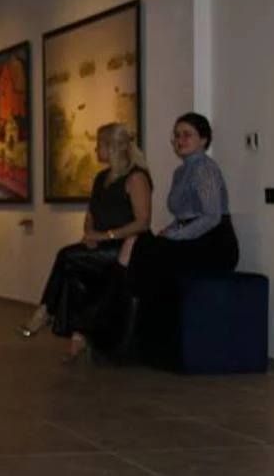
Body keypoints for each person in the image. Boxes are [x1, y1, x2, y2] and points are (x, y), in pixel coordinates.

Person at [21, 123, 152, 361]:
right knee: (74, 273)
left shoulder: (136, 178)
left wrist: (105, 236)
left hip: (127, 246)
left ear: (112, 147)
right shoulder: (101, 178)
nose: (95, 149)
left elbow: (142, 222)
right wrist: (90, 234)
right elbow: (91, 214)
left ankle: (46, 311)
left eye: (99, 144)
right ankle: (78, 337)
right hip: (102, 243)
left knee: (67, 256)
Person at [127, 113, 239, 359]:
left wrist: (175, 237)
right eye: (177, 136)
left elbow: (211, 217)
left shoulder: (205, 169)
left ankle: (145, 337)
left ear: (204, 139)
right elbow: (185, 216)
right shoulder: (180, 172)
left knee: (152, 253)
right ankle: (144, 334)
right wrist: (171, 230)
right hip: (193, 239)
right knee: (144, 245)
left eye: (187, 135)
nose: (180, 140)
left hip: (214, 243)